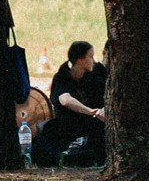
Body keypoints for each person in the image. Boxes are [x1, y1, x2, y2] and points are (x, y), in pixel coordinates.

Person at [31, 40, 107, 168]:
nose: (93, 60)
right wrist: (91, 111)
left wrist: (104, 110)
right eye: (90, 57)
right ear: (80, 60)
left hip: (93, 122)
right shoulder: (62, 77)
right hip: (69, 122)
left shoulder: (97, 73)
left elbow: (109, 96)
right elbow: (65, 100)